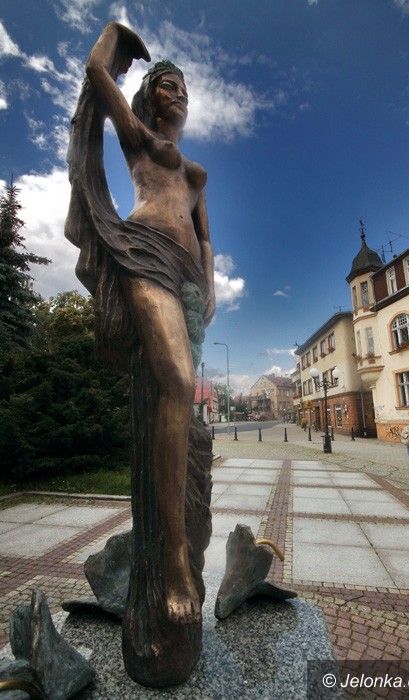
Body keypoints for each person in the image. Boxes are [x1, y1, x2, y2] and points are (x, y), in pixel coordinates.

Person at [65, 22, 215, 627]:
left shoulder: (197, 174)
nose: (178, 95)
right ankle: (173, 556)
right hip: (143, 254)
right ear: (151, 98)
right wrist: (113, 36)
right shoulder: (140, 138)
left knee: (180, 402)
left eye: (183, 89)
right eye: (168, 86)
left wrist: (210, 286)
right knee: (175, 382)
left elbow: (207, 237)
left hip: (187, 276)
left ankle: (182, 535)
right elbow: (96, 72)